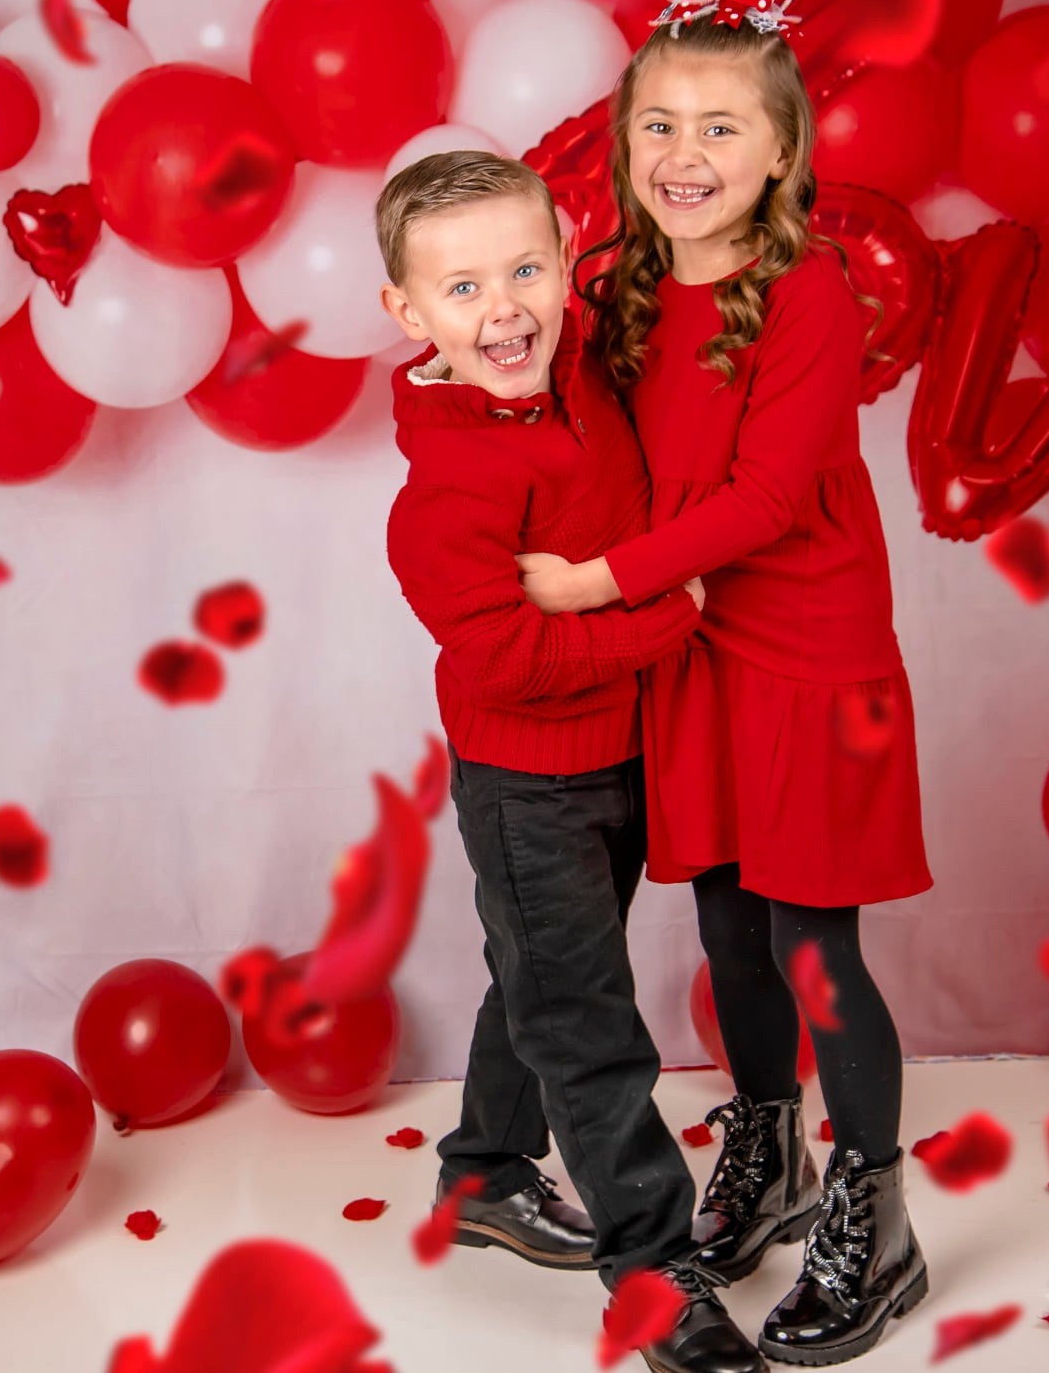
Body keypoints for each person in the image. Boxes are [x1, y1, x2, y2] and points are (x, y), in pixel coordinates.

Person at [516, 0, 936, 1367]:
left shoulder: (806, 293)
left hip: (804, 655)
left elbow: (760, 497)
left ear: (778, 154)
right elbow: (564, 426)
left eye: (716, 125)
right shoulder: (618, 286)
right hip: (692, 653)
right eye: (655, 124)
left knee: (815, 942)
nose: (679, 151)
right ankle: (771, 1150)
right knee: (726, 928)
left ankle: (874, 1217)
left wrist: (594, 583)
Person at [377, 149, 765, 1373]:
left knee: (538, 982)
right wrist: (669, 611)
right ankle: (652, 1274)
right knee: (590, 1026)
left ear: (564, 260)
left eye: (528, 269)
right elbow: (512, 663)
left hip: (629, 757)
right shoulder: (441, 494)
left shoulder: (584, 359)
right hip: (528, 785)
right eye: (464, 290)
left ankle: (484, 1174)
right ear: (408, 313)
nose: (506, 311)